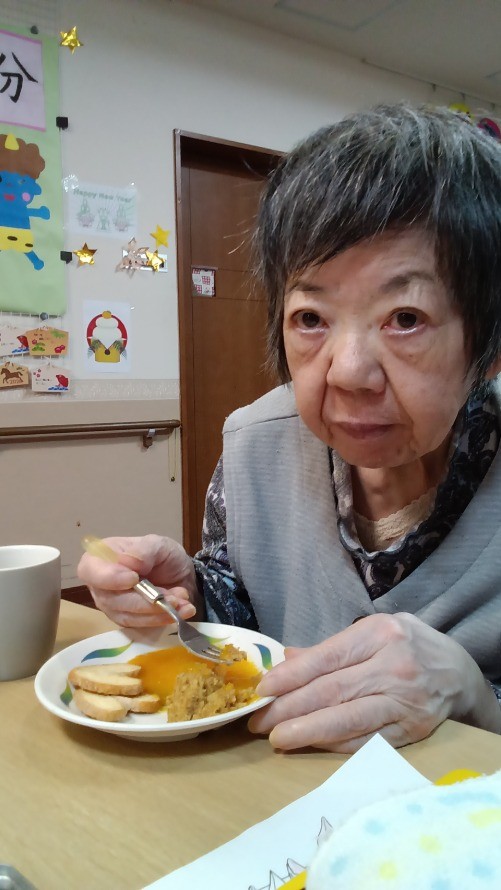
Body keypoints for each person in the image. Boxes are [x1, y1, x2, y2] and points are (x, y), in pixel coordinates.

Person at [78, 103, 501, 753]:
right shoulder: (255, 444)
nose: (348, 372)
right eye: (310, 318)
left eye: (405, 318)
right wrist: (187, 595)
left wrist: (475, 696)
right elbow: (243, 607)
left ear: (489, 345)